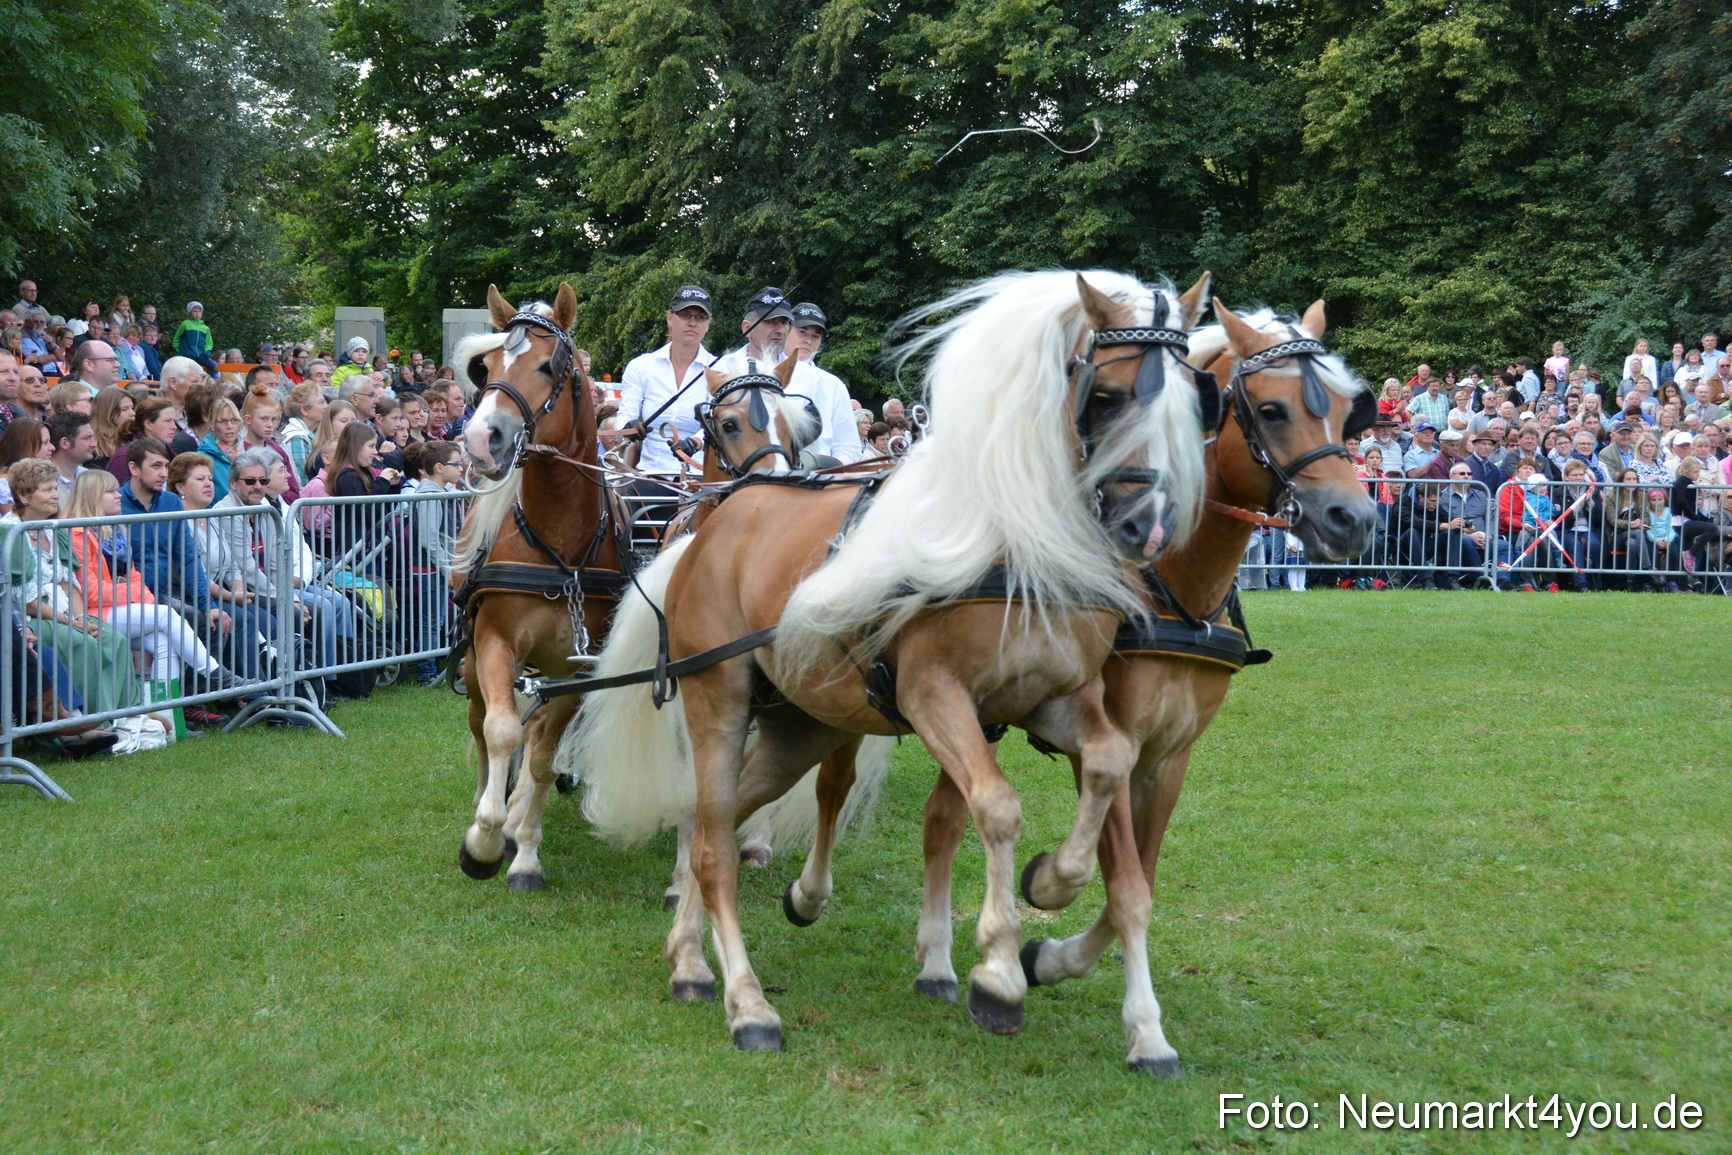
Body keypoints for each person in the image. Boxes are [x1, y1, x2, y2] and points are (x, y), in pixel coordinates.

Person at [65, 470, 245, 697]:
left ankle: (168, 713)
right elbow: (89, 592)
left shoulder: (115, 532)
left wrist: (132, 590)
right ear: (92, 497)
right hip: (89, 613)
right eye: (110, 492)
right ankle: (217, 674)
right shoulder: (77, 534)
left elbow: (135, 579)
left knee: (163, 641)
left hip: (115, 607)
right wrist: (130, 590)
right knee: (165, 615)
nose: (118, 495)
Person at [2, 458, 142, 717]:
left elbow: (70, 585)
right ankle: (92, 720)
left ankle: (129, 715)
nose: (56, 495)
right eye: (47, 489)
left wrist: (80, 618)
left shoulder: (56, 529)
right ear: (23, 494)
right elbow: (26, 599)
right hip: (34, 618)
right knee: (83, 644)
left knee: (115, 640)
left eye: (56, 488)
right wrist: (71, 622)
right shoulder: (8, 532)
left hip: (65, 612)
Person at [216, 448, 358, 676]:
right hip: (242, 590)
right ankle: (286, 684)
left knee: (318, 609)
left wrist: (289, 598)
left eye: (262, 480)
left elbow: (275, 565)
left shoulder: (265, 508)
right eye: (250, 480)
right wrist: (284, 600)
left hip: (266, 588)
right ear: (233, 484)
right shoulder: (227, 512)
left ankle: (325, 679)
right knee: (304, 611)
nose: (257, 486)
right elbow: (248, 569)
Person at [170, 452, 277, 681]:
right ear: (180, 487)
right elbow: (195, 574)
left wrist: (238, 591)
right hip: (194, 594)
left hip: (222, 592)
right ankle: (248, 693)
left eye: (209, 478)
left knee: (269, 619)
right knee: (244, 619)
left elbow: (231, 566)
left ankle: (279, 681)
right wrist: (232, 596)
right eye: (199, 479)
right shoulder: (180, 522)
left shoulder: (211, 518)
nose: (208, 484)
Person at [402, 441, 464, 683]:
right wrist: (446, 568)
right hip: (429, 569)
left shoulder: (444, 492)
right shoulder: (429, 496)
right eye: (456, 464)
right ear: (439, 467)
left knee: (436, 619)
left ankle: (433, 667)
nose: (460, 468)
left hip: (437, 567)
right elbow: (429, 538)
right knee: (431, 621)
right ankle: (426, 673)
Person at [783, 301, 859, 465]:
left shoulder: (833, 385)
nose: (808, 340)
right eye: (802, 332)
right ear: (786, 330)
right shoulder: (766, 375)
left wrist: (834, 469)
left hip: (822, 475)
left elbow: (848, 444)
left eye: (815, 336)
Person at [239, 386, 300, 502]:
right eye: (264, 419)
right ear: (248, 419)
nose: (270, 425)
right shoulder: (239, 451)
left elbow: (293, 490)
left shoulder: (277, 448)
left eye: (273, 419)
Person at [196, 396, 244, 501]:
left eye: (234, 420)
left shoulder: (249, 453)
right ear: (211, 424)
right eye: (223, 421)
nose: (230, 426)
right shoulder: (202, 458)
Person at [278, 382, 327, 482]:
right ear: (304, 410)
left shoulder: (308, 433)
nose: (326, 406)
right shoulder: (298, 438)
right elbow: (301, 480)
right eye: (321, 402)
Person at [1644, 487, 1683, 591]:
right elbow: (1646, 530)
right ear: (1648, 501)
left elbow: (1672, 528)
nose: (1657, 502)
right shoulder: (1647, 512)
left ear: (1665, 500)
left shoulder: (1669, 511)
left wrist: (1667, 540)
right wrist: (1656, 541)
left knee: (1674, 551)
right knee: (1651, 552)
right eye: (1653, 500)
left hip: (1667, 539)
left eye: (1660, 499)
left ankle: (1672, 580)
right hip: (1652, 539)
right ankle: (1654, 580)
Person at [172, 302, 218, 375]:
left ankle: (207, 383)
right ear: (190, 312)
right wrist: (179, 349)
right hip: (187, 355)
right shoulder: (185, 324)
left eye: (200, 311)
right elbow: (177, 338)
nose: (197, 313)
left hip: (200, 355)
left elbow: (209, 343)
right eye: (195, 311)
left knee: (213, 365)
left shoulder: (205, 328)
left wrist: (207, 353)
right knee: (185, 371)